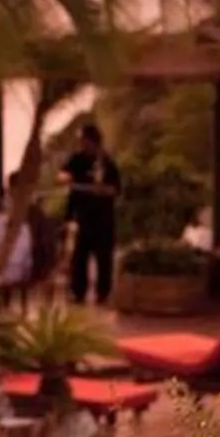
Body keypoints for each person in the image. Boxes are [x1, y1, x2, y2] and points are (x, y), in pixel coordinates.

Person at [61, 122, 123, 305]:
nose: (81, 144)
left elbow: (113, 190)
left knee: (104, 257)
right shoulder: (76, 159)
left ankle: (103, 293)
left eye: (83, 140)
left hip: (103, 217)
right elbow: (63, 176)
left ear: (93, 141)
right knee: (79, 256)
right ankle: (77, 292)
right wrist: (67, 180)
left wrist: (82, 187)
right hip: (81, 215)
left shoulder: (107, 163)